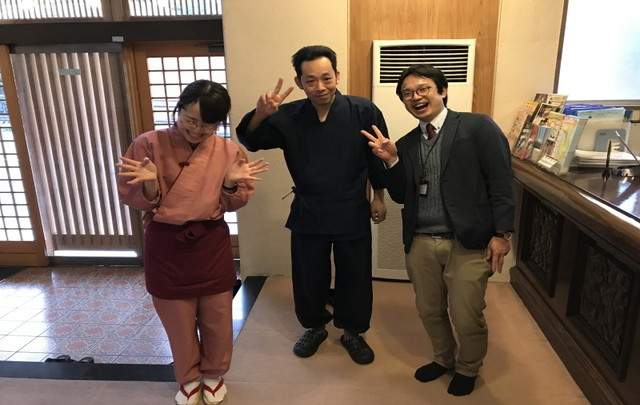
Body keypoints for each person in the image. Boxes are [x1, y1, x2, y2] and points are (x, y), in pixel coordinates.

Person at [362, 64, 515, 395]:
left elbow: (502, 182)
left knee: (466, 314)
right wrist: (392, 161)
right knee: (429, 310)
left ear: (442, 91)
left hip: (468, 241)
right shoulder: (406, 143)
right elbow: (402, 195)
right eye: (407, 93)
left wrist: (502, 234)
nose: (415, 97)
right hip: (421, 241)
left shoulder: (477, 127)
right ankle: (443, 358)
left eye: (423, 89)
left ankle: (468, 367)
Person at [117, 80, 268, 405]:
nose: (198, 130)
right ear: (179, 109)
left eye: (208, 125)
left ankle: (214, 374)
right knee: (177, 318)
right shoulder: (147, 144)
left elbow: (235, 201)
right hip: (166, 243)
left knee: (217, 314)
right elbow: (135, 196)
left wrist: (230, 185)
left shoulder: (228, 151)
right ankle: (187, 377)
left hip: (210, 241)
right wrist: (149, 185)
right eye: (191, 121)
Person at [236, 45, 389, 365]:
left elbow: (378, 156)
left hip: (351, 208)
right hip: (309, 210)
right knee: (308, 274)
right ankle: (314, 326)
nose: (320, 86)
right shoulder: (288, 115)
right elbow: (252, 140)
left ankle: (353, 331)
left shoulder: (363, 110)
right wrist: (261, 114)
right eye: (310, 80)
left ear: (337, 75)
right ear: (299, 81)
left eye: (326, 78)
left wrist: (378, 197)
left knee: (355, 273)